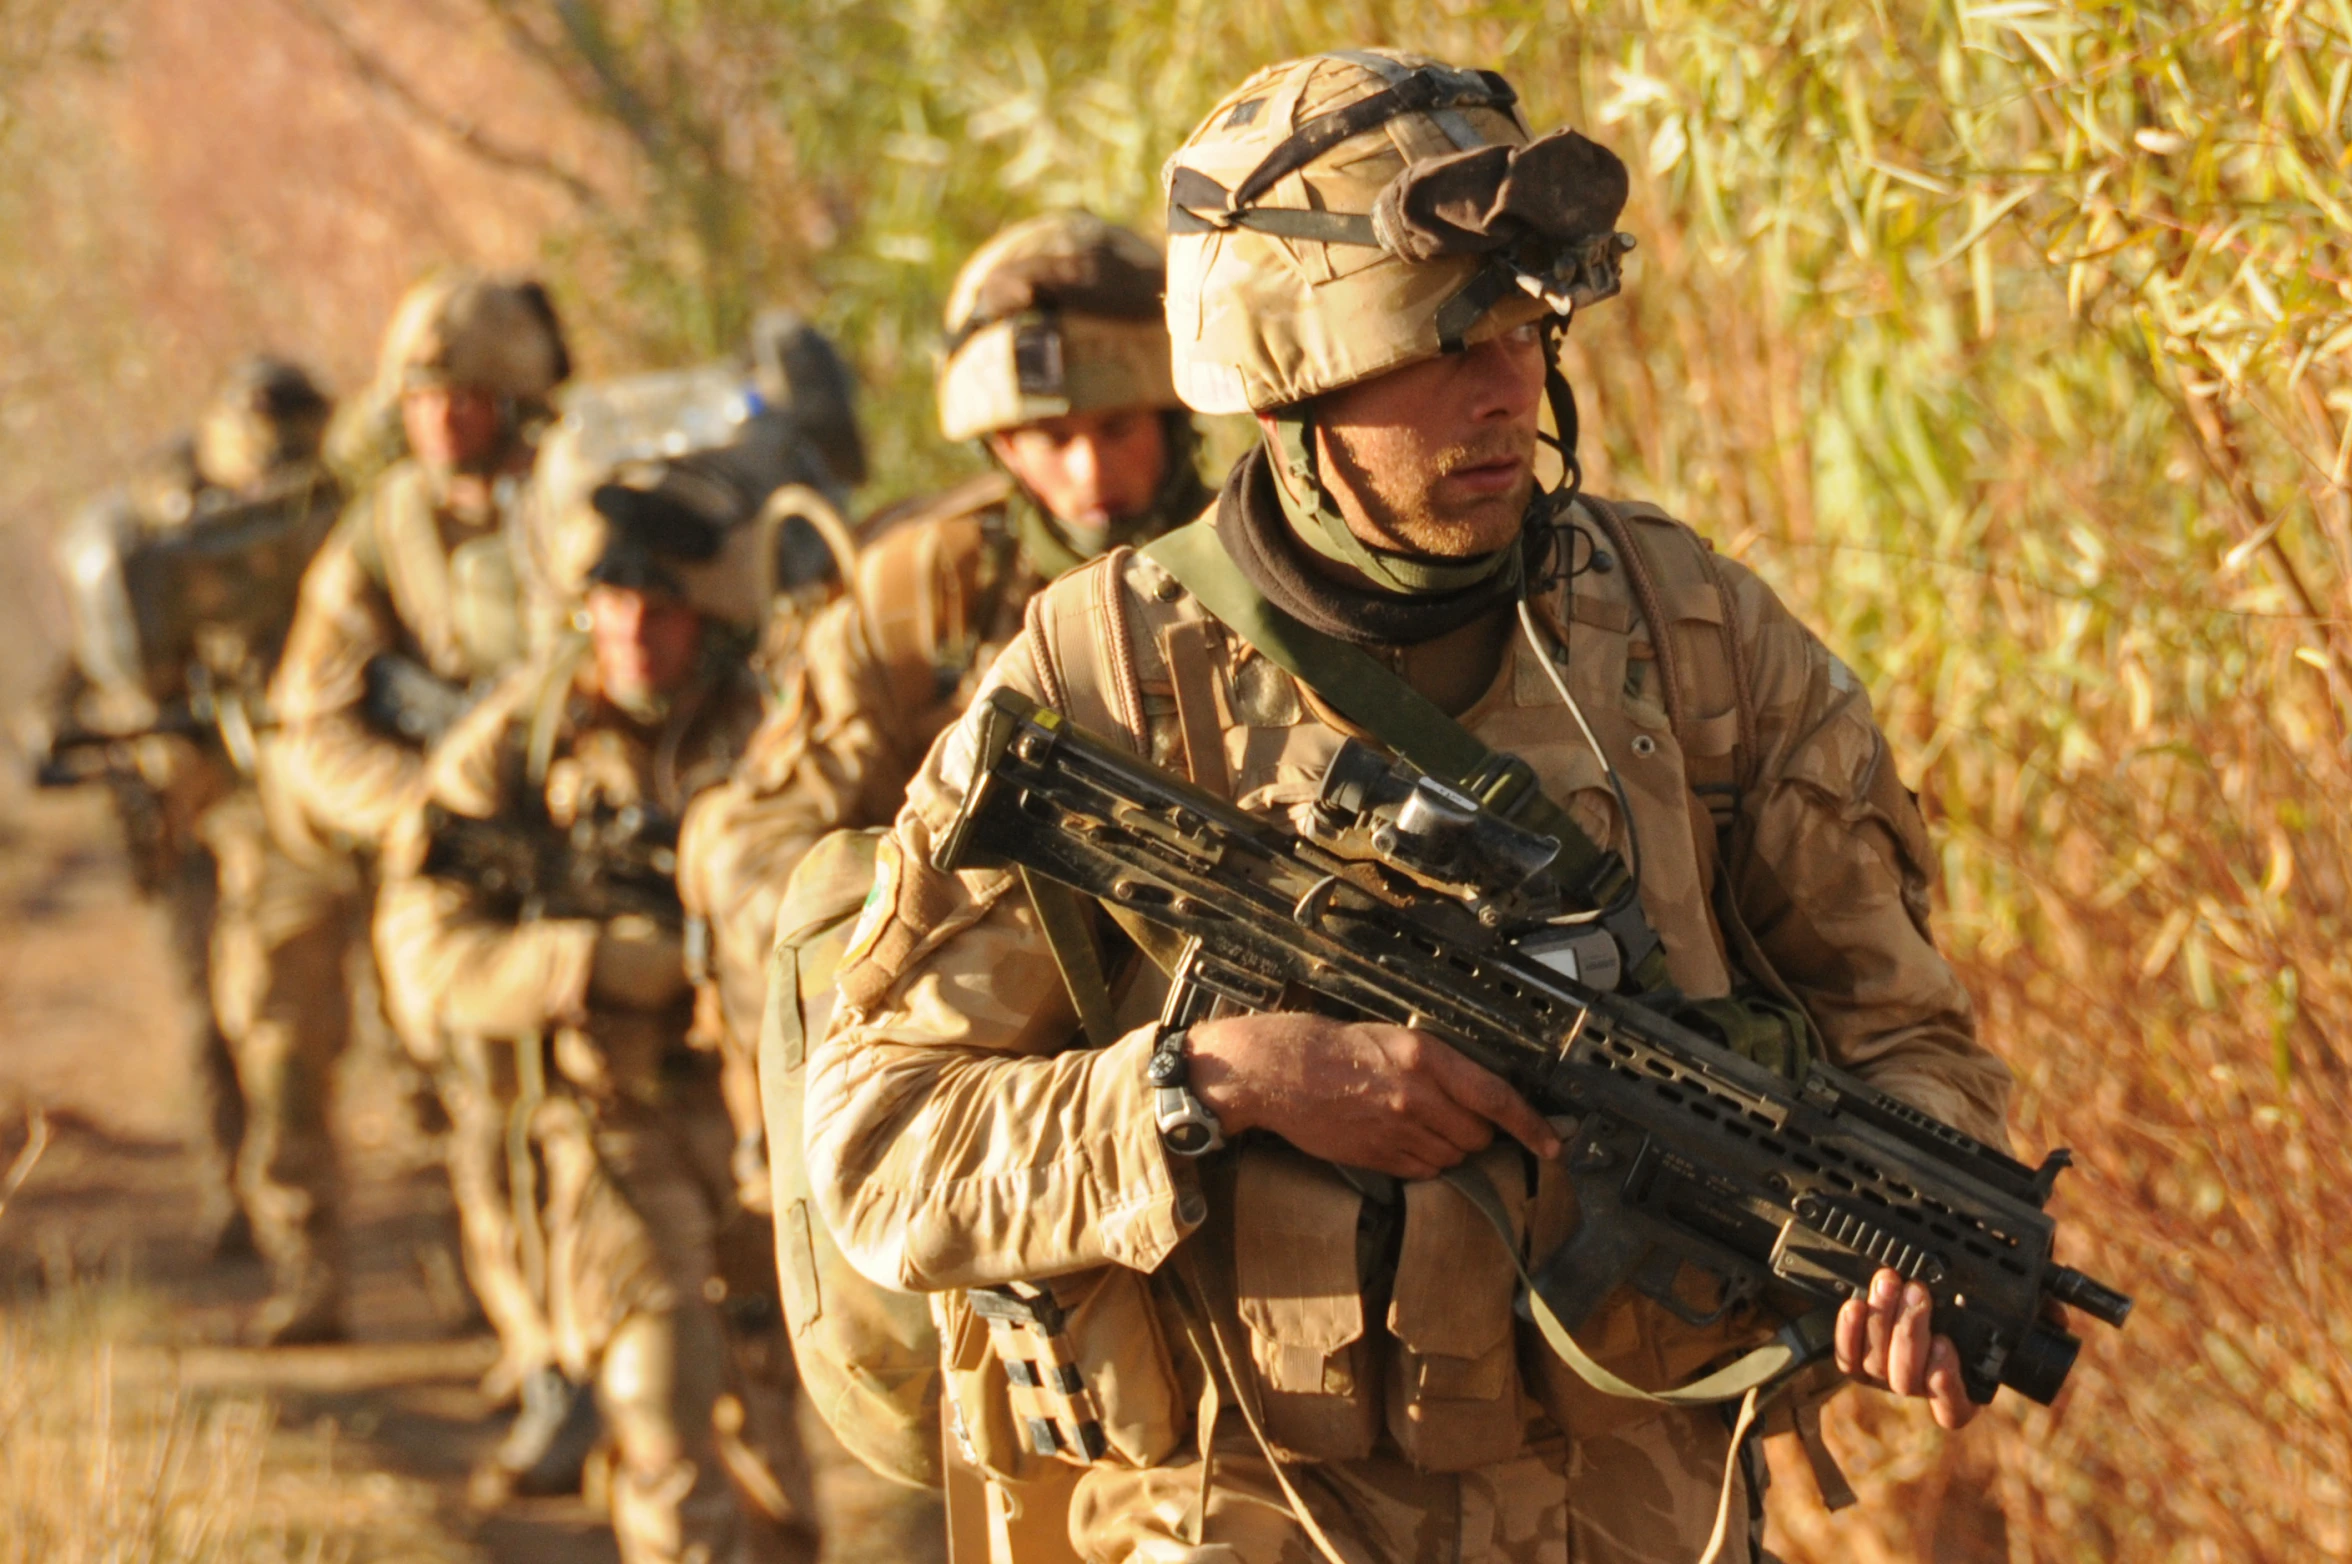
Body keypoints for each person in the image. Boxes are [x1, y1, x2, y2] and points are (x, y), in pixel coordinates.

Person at [803, 50, 2016, 1563]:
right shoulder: (1096, 676)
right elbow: (879, 1141)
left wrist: (1898, 1238)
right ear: (1289, 380)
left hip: (1631, 1513)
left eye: (1522, 329)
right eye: (1444, 346)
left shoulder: (1686, 635)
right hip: (1238, 1505)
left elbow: (1898, 1034)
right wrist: (1212, 1083)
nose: (1505, 385)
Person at [672, 210, 1210, 1560]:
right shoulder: (921, 590)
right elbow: (755, 838)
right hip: (988, 1130)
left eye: (1118, 426)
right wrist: (908, 940)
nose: (1086, 467)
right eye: (1047, 437)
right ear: (992, 440)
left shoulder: (1252, 574)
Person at [375, 460, 807, 1564]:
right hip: (609, 1118)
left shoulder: (776, 732)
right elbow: (421, 938)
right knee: (659, 1397)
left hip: (767, 1124)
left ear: (708, 620)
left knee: (775, 1422)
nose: (631, 633)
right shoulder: (525, 741)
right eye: (611, 604)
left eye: (661, 610)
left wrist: (720, 957)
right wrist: (583, 962)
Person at [262, 269, 569, 1352]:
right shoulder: (385, 532)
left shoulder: (581, 499)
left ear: (517, 401)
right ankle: (542, 1358)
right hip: (463, 876)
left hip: (593, 847)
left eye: (465, 398)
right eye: (421, 399)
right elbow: (309, 718)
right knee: (483, 1118)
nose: (440, 420)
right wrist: (421, 814)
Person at [44, 356, 338, 1282]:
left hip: (285, 806)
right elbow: (101, 659)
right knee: (210, 1015)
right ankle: (234, 1194)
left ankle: (308, 1223)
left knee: (287, 1019)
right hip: (186, 805)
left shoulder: (321, 529)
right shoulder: (169, 537)